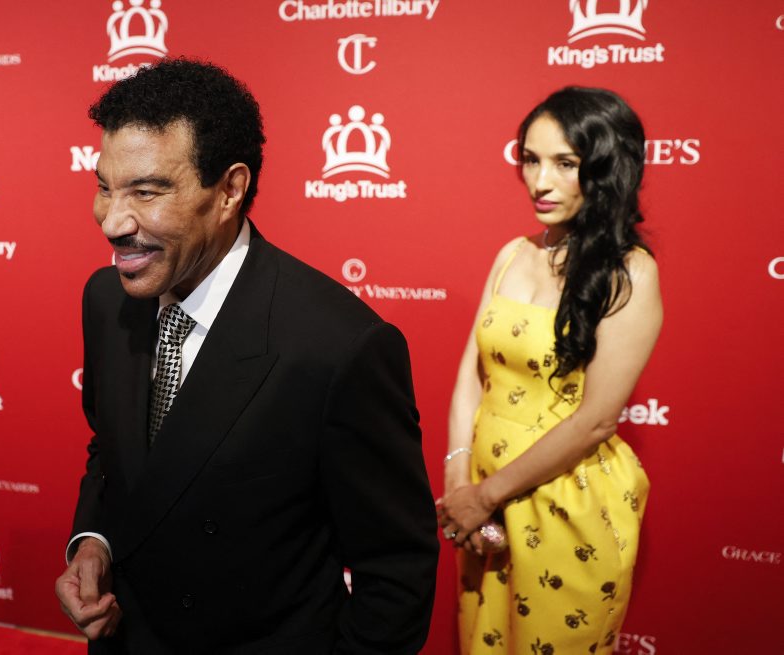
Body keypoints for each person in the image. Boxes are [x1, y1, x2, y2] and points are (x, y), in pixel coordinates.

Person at [53, 58, 439, 654]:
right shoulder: (107, 300)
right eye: (105, 187)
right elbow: (113, 453)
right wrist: (93, 543)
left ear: (230, 190)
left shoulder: (338, 346)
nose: (112, 221)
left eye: (146, 192)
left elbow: (396, 572)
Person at [436, 87, 662, 654]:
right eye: (531, 160)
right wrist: (459, 481)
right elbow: (471, 377)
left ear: (606, 168)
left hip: (568, 507)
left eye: (565, 163)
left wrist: (485, 495)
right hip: (482, 506)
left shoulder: (630, 273)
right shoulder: (513, 254)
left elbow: (596, 421)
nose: (540, 181)